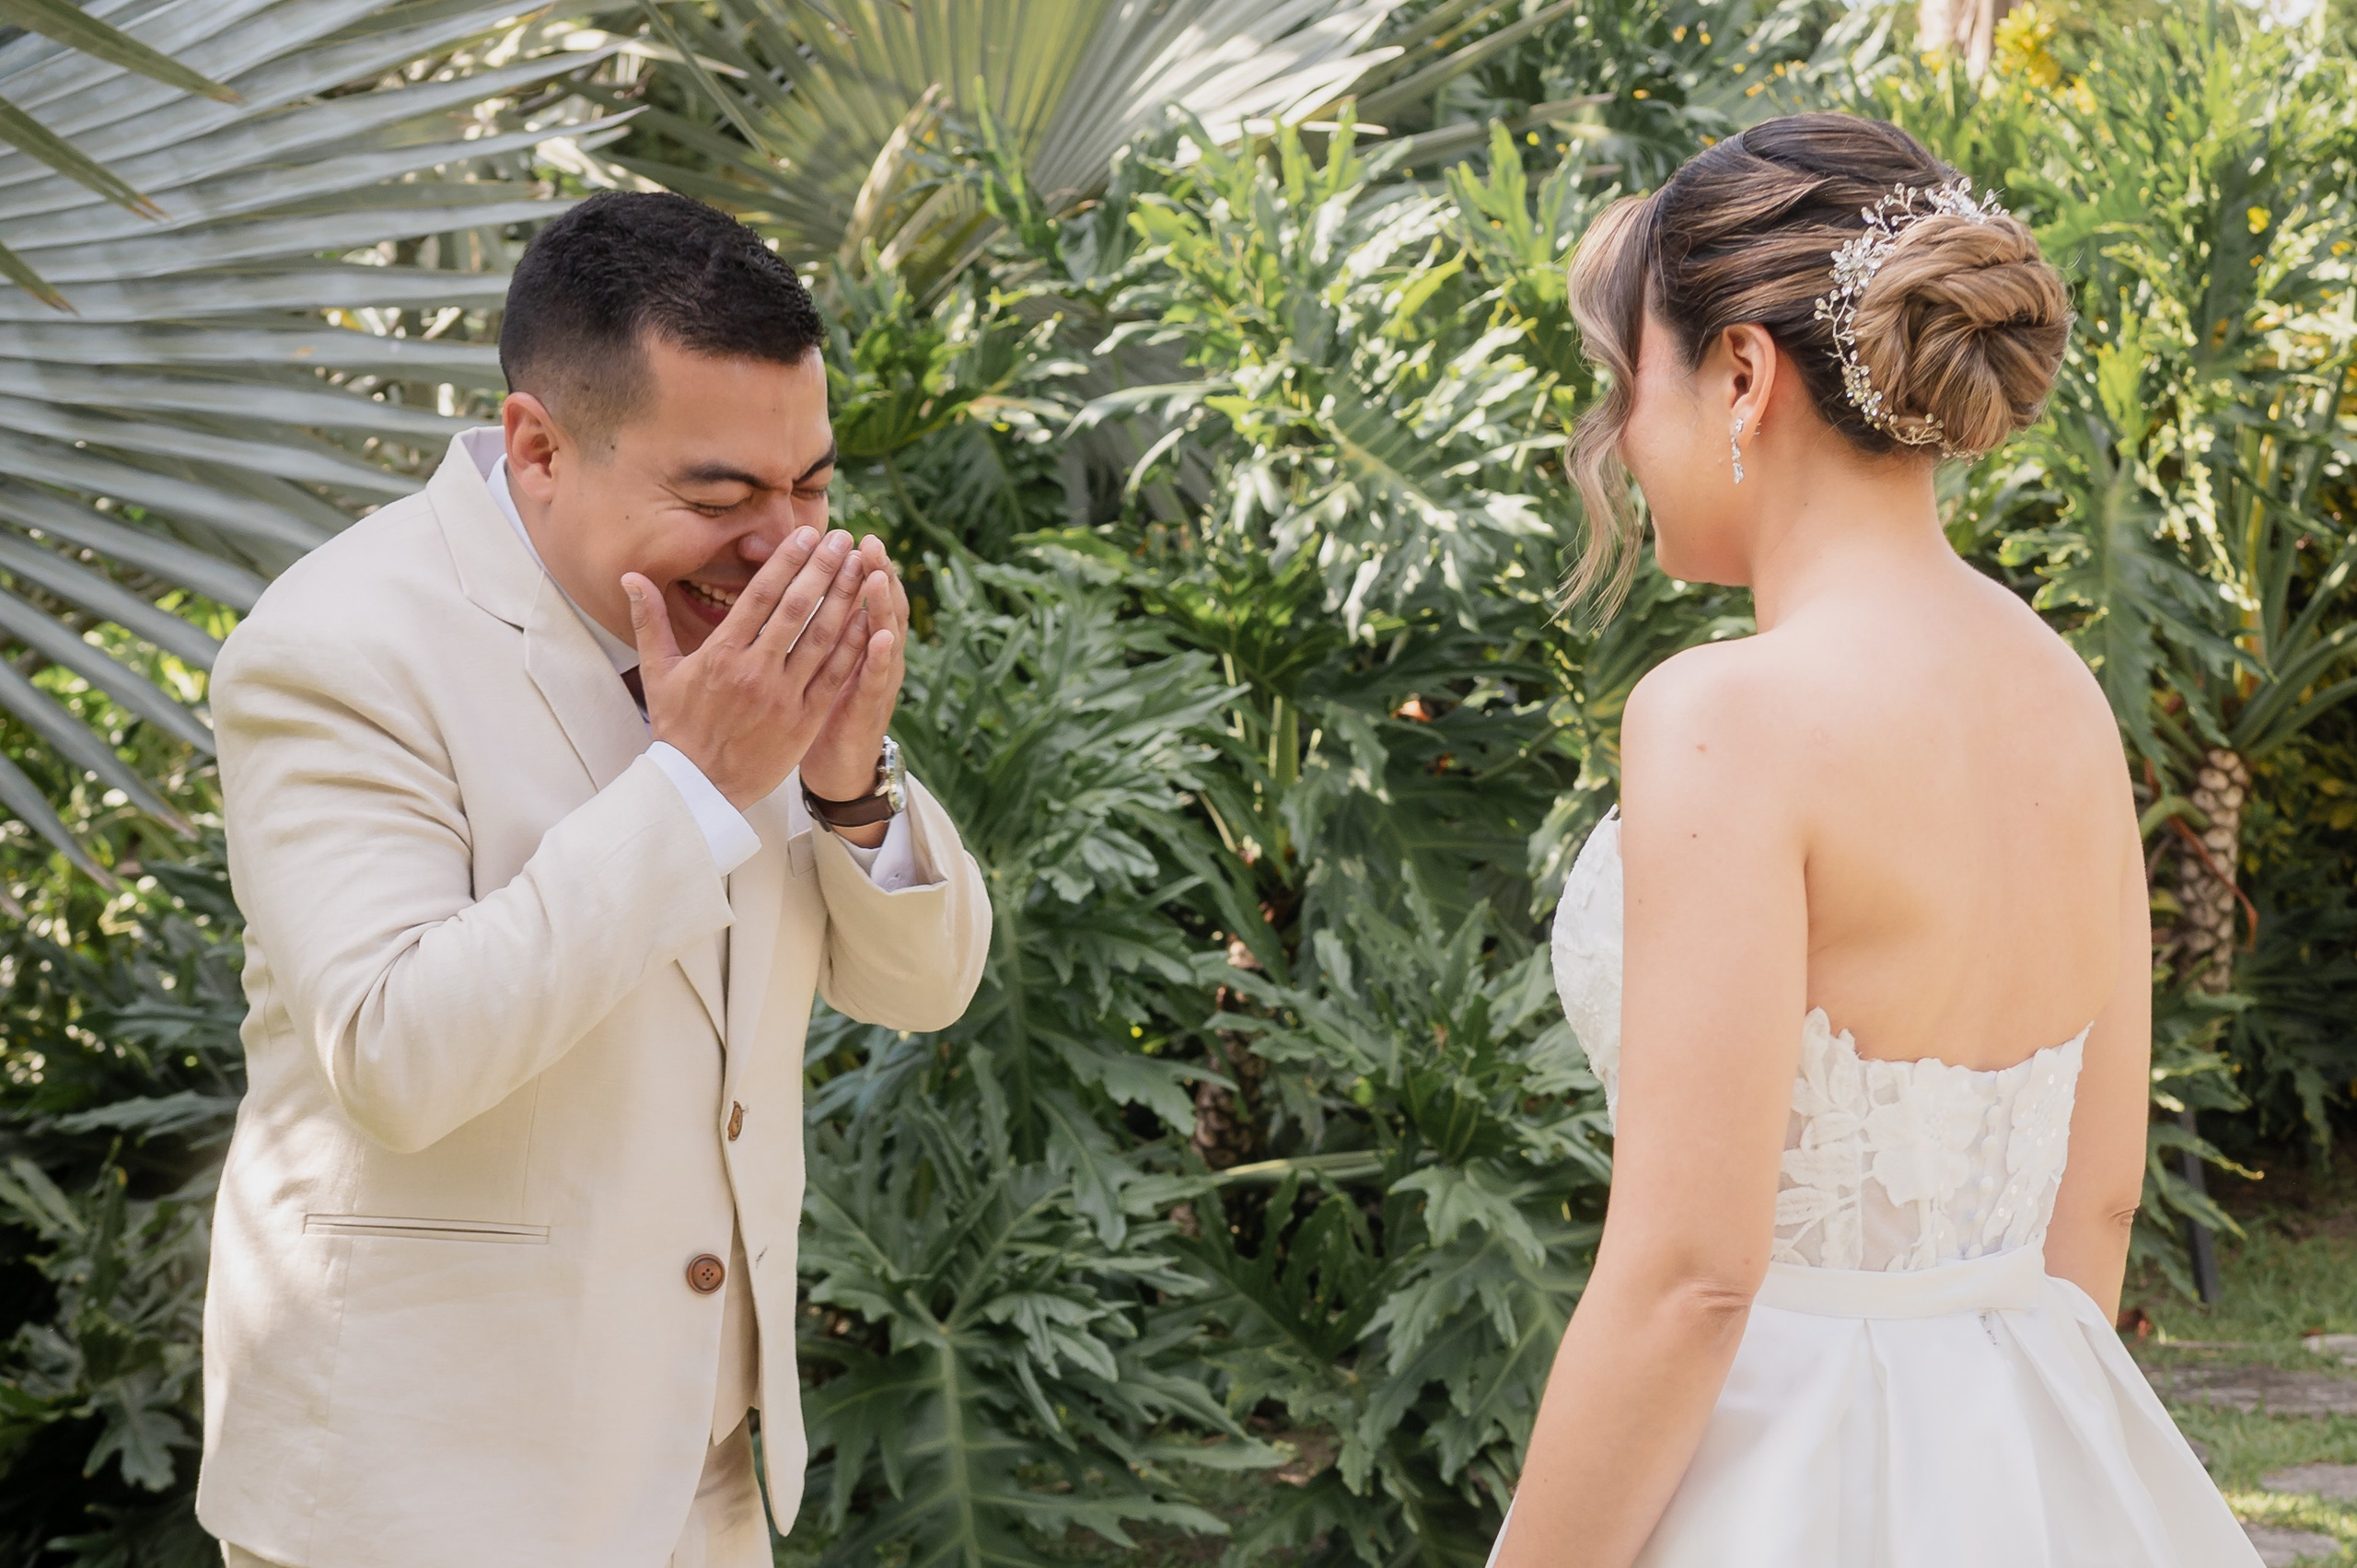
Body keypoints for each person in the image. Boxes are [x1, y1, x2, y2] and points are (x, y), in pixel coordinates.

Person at [1491, 114, 2258, 1567]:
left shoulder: (1724, 718)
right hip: (2032, 1452)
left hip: (1776, 1479)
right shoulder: (2066, 702)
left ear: (1740, 375)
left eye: (1623, 382)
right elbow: (2094, 1203)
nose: (1614, 441)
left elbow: (1691, 1283)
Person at [194, 192, 992, 1568]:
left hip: (708, 1486)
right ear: (537, 444)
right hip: (423, 1504)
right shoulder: (334, 648)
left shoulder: (745, 637)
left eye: (812, 483)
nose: (785, 540)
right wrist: (694, 786)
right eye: (723, 493)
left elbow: (921, 993)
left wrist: (847, 783)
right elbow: (395, 1054)